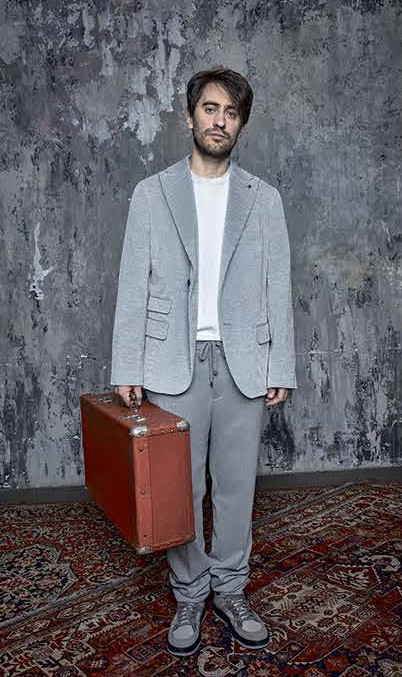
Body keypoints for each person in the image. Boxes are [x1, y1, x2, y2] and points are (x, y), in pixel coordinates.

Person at [111, 67, 297, 657]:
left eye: (231, 113)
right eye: (211, 109)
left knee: (237, 487)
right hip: (172, 362)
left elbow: (278, 285)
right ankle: (190, 592)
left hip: (244, 363)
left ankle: (231, 590)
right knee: (180, 489)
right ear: (191, 116)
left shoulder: (263, 199)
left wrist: (281, 367)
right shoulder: (152, 194)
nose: (220, 121)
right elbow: (133, 284)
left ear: (240, 124)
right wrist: (128, 365)